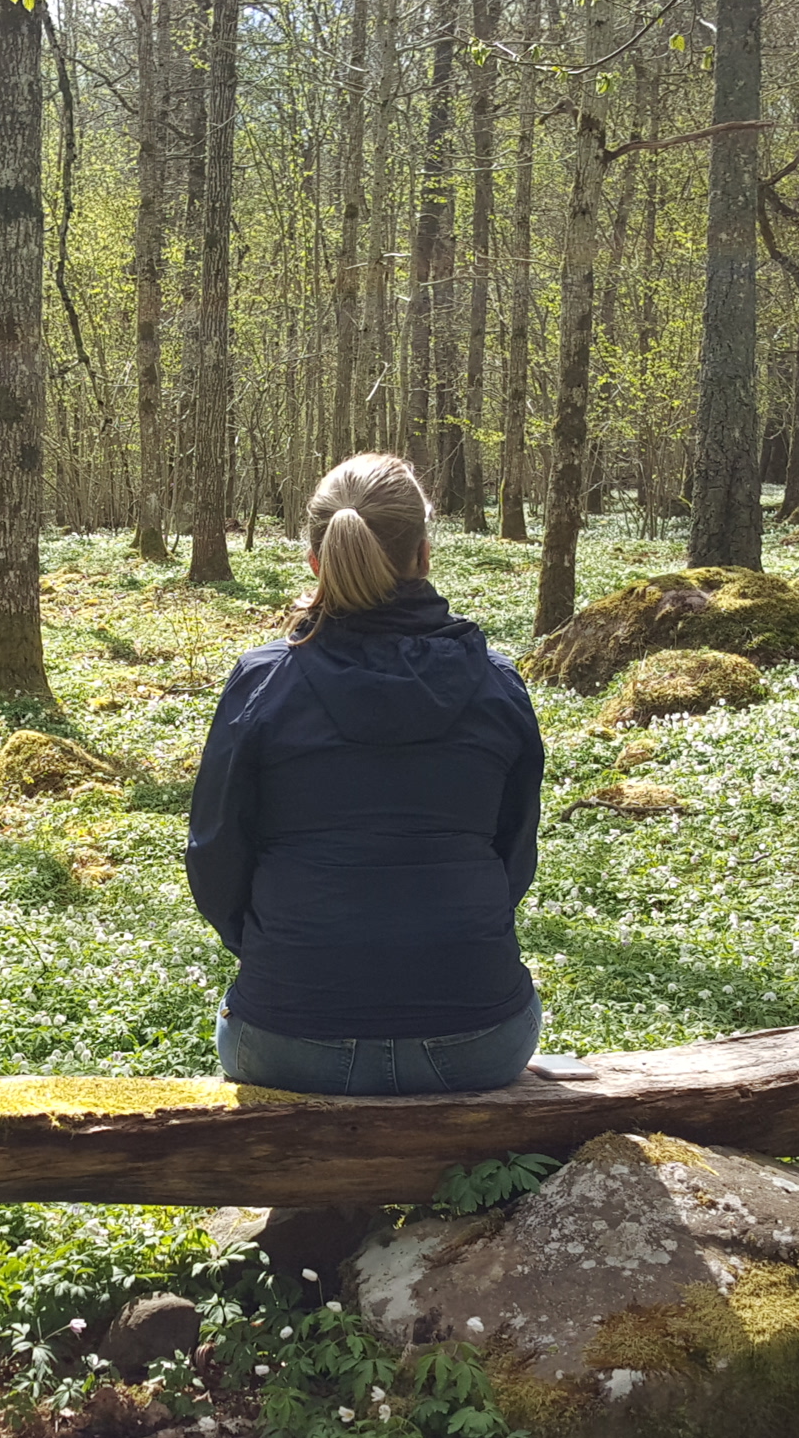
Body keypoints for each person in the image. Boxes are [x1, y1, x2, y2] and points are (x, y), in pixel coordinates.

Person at [185, 453, 545, 1094]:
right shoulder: (496, 683)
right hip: (480, 1038)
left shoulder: (265, 682)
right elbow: (513, 854)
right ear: (425, 554)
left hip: (286, 1037)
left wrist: (287, 953)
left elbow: (215, 856)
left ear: (315, 559)